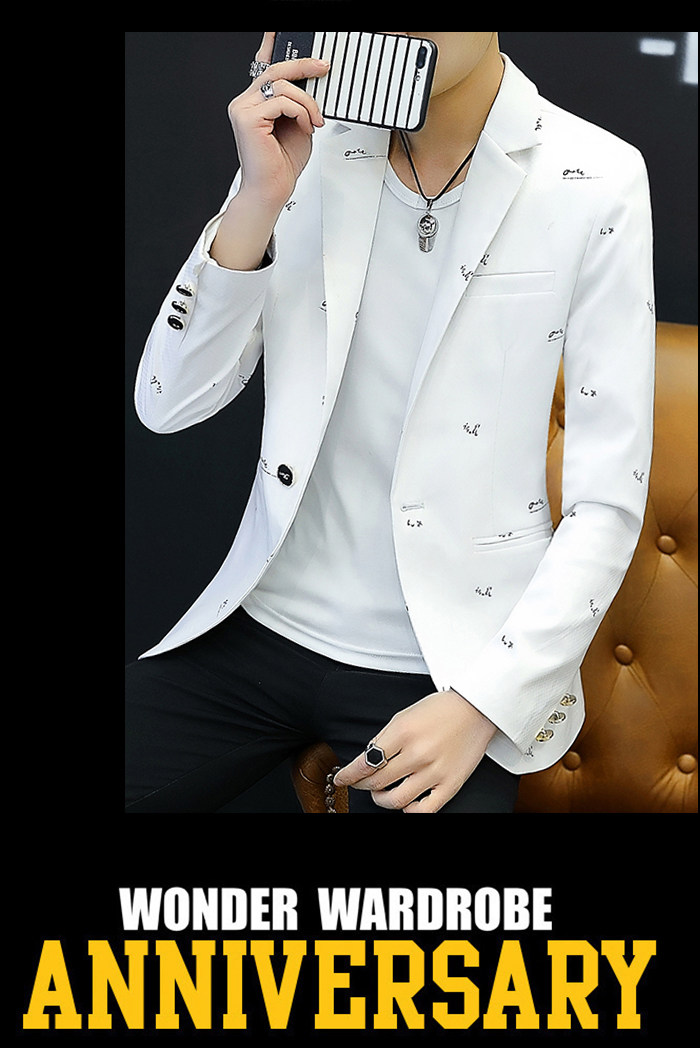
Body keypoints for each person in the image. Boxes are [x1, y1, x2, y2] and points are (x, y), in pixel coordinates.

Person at [126, 32, 654, 813]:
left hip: (447, 665)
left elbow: (607, 499)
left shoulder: (597, 175)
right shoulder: (307, 149)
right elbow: (169, 401)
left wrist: (480, 704)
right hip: (259, 627)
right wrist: (257, 200)